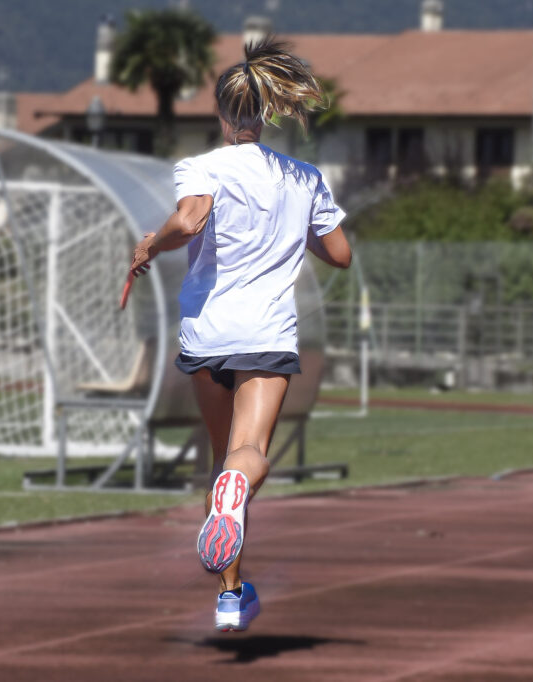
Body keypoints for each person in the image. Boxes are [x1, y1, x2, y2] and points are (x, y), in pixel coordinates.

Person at [126, 37, 351, 632]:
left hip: (205, 335)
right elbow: (341, 254)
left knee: (220, 463)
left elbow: (192, 217)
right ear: (267, 111)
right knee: (246, 458)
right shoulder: (303, 177)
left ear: (224, 114)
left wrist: (150, 243)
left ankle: (230, 597)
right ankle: (231, 510)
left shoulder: (200, 167)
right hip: (266, 334)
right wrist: (294, 227)